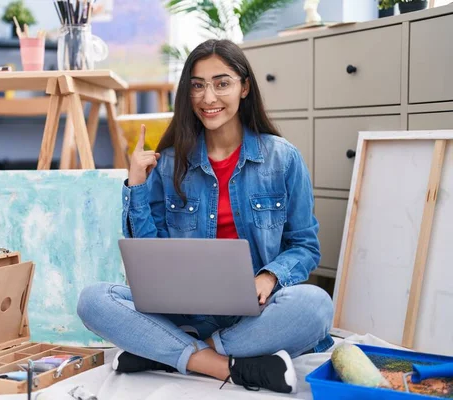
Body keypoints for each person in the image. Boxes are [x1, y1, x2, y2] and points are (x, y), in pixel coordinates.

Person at [77, 39, 334, 394]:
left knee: (317, 305)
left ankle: (166, 353)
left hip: (253, 312)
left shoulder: (283, 159)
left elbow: (305, 246)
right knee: (93, 300)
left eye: (221, 83)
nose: (208, 97)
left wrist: (269, 277)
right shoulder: (168, 163)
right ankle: (226, 365)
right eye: (197, 85)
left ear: (244, 87)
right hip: (183, 313)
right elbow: (147, 257)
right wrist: (136, 186)